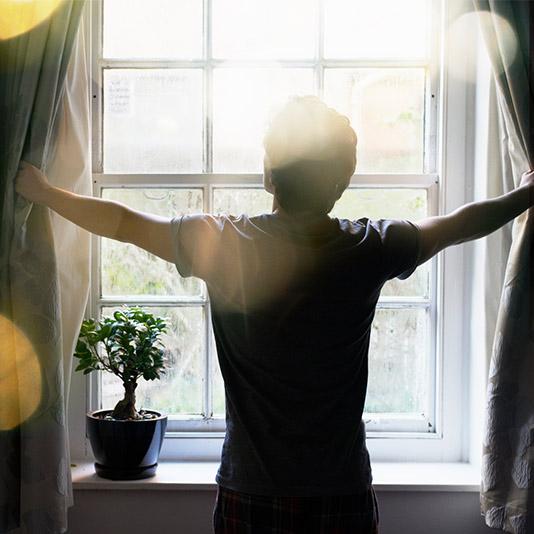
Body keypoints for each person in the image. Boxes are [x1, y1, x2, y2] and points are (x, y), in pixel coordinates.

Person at [15, 96, 534, 534]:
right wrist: (526, 192)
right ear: (342, 181)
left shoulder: (224, 243)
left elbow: (123, 222)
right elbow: (463, 223)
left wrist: (43, 192)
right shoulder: (369, 247)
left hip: (251, 489)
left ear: (268, 175)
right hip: (341, 489)